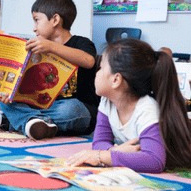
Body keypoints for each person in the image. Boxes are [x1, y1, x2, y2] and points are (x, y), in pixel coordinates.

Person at [65, 39, 191, 173]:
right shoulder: (107, 101)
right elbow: (99, 142)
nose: (97, 73)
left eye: (101, 68)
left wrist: (102, 156)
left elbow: (154, 161)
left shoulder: (146, 108)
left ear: (116, 80)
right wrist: (115, 151)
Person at [0, 0, 99, 140]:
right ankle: (36, 124)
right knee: (3, 102)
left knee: (71, 109)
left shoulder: (81, 42)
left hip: (78, 111)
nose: (34, 28)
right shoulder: (37, 48)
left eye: (37, 20)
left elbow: (89, 60)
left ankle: (18, 121)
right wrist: (10, 94)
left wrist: (51, 47)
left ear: (55, 20)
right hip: (43, 106)